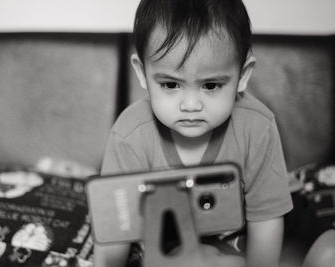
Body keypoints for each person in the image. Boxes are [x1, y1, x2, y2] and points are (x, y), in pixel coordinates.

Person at [96, 0, 293, 266]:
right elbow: (114, 233)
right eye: (170, 84)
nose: (190, 105)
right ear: (142, 73)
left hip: (229, 251)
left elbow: (266, 219)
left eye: (211, 85)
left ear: (242, 75)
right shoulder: (130, 134)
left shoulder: (256, 127)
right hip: (157, 253)